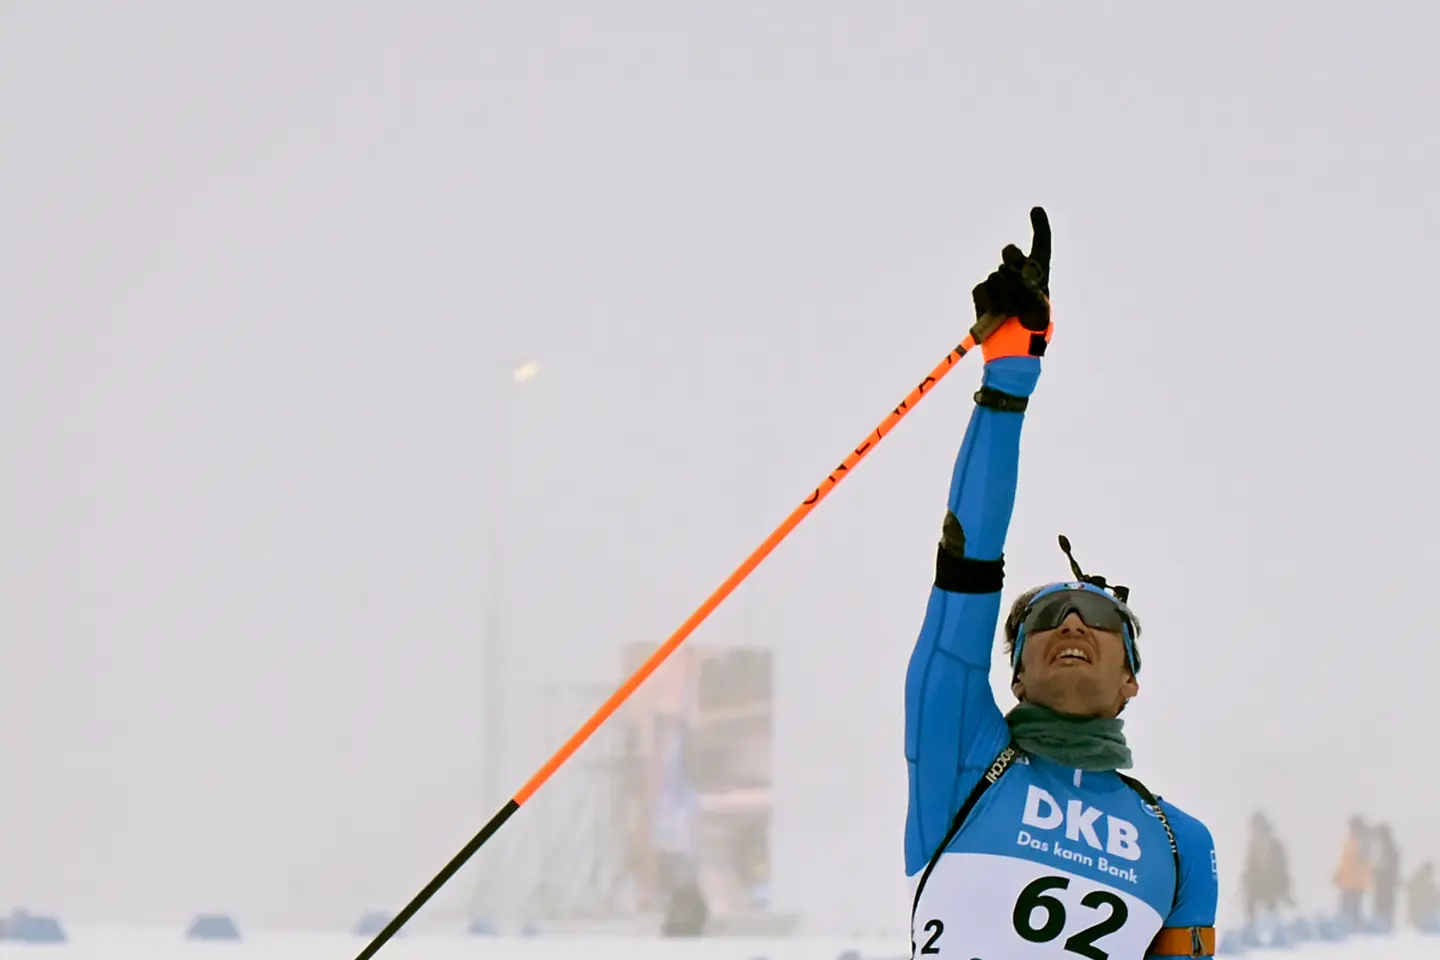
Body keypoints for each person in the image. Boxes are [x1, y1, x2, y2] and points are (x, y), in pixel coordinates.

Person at [904, 208, 1219, 959]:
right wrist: (1010, 374)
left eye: (1097, 618)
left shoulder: (1179, 842)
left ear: (1130, 682)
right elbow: (967, 572)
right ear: (1012, 668)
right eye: (1046, 616)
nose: (1073, 625)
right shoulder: (963, 757)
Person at [1241, 811, 1294, 932]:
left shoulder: (1273, 843)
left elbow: (1281, 867)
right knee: (1251, 904)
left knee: (1271, 906)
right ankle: (1252, 927)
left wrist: (1284, 887)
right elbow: (1250, 866)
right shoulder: (1253, 844)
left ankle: (1273, 928)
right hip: (1257, 883)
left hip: (1271, 883)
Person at [1333, 816, 1371, 930]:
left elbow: (1363, 861)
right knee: (1344, 913)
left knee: (1353, 914)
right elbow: (1344, 862)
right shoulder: (1350, 842)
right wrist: (1338, 875)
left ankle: (1356, 932)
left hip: (1355, 885)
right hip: (1346, 884)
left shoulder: (1363, 842)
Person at [1369, 823, 1400, 932]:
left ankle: (1384, 932)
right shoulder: (1386, 850)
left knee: (1384, 915)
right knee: (1382, 915)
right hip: (1383, 889)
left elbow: (1386, 869)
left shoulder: (1390, 851)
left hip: (1385, 890)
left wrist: (1376, 870)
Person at [1406, 861, 1438, 932]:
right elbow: (1433, 897)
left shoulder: (1416, 881)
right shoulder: (1423, 883)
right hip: (1422, 918)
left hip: (1419, 918)